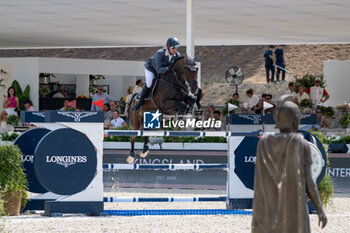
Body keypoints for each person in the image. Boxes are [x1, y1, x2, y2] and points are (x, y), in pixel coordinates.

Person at [252, 95, 327, 232]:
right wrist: (319, 209)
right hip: (294, 212)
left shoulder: (263, 143)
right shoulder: (300, 144)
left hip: (268, 211)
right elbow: (309, 182)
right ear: (295, 120)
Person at [132, 37, 181, 112]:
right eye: (173, 47)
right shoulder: (159, 53)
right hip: (151, 69)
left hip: (164, 70)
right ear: (168, 47)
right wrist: (168, 68)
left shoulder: (177, 55)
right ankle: (139, 103)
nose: (175, 50)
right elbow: (159, 70)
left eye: (176, 47)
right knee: (149, 83)